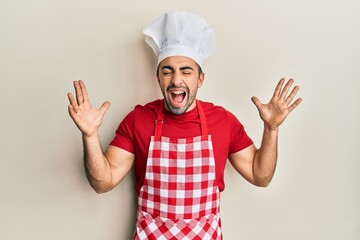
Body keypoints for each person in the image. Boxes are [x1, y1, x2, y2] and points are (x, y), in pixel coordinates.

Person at [67, 10, 302, 240]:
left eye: (186, 71)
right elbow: (102, 182)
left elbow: (260, 176)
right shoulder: (138, 119)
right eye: (167, 71)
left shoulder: (223, 121)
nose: (176, 80)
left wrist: (271, 130)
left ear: (200, 78)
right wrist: (90, 136)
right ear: (158, 77)